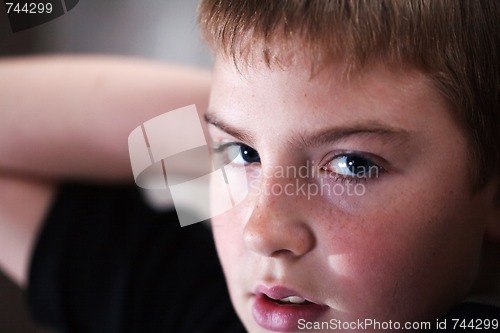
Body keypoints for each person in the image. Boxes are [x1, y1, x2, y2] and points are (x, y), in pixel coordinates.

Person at [1, 0, 499, 332]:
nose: (260, 232)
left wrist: (267, 106)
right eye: (243, 155)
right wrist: (264, 99)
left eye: (352, 164)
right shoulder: (208, 307)